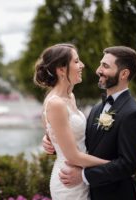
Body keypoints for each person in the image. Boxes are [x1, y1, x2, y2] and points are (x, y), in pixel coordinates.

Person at [42, 46, 136, 200]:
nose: (98, 70)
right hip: (81, 189)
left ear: (124, 74)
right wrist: (50, 139)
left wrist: (84, 175)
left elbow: (128, 166)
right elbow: (79, 140)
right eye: (101, 64)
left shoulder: (134, 114)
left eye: (105, 66)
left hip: (115, 195)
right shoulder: (97, 108)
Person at [34, 43, 110, 200]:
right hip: (68, 183)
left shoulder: (70, 97)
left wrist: (48, 140)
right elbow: (73, 156)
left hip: (81, 176)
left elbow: (56, 134)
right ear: (61, 69)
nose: (82, 65)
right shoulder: (56, 103)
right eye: (76, 61)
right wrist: (113, 165)